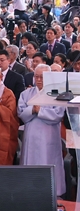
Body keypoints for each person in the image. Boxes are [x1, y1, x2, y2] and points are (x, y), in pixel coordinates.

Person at [17, 64, 66, 197]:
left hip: (48, 137)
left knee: (48, 162)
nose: (38, 80)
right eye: (36, 76)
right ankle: (28, 192)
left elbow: (58, 115)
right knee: (30, 163)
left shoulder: (57, 93)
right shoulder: (26, 93)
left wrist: (40, 111)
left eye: (42, 77)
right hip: (30, 137)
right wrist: (32, 110)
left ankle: (51, 193)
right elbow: (21, 113)